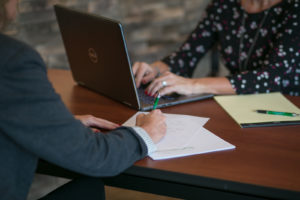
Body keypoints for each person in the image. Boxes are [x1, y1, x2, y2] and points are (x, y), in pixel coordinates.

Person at [0, 0, 167, 199]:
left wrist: (56, 124)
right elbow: (95, 157)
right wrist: (145, 133)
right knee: (90, 189)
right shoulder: (12, 60)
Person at [133, 0, 300, 97]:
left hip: (287, 109)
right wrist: (153, 70)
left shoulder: (294, 9)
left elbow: (272, 77)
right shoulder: (224, 4)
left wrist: (194, 85)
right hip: (239, 104)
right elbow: (186, 55)